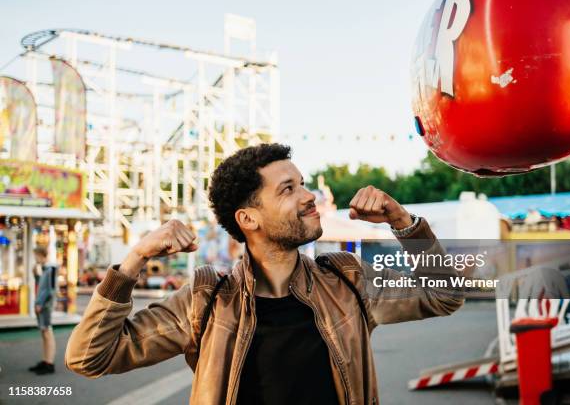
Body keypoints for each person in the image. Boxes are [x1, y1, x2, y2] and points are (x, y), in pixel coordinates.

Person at [65, 143, 464, 404]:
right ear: (249, 219)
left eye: (303, 184)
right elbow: (90, 357)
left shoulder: (347, 283)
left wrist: (403, 222)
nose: (309, 197)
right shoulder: (205, 301)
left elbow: (445, 294)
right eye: (288, 189)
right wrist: (134, 259)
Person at [28, 246, 57, 375]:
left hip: (45, 305)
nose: (35, 258)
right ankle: (45, 361)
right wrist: (36, 276)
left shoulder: (51, 269)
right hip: (41, 304)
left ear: (41, 255)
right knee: (44, 331)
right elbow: (42, 286)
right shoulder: (45, 269)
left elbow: (50, 290)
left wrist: (41, 303)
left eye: (36, 255)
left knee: (47, 331)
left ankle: (49, 363)